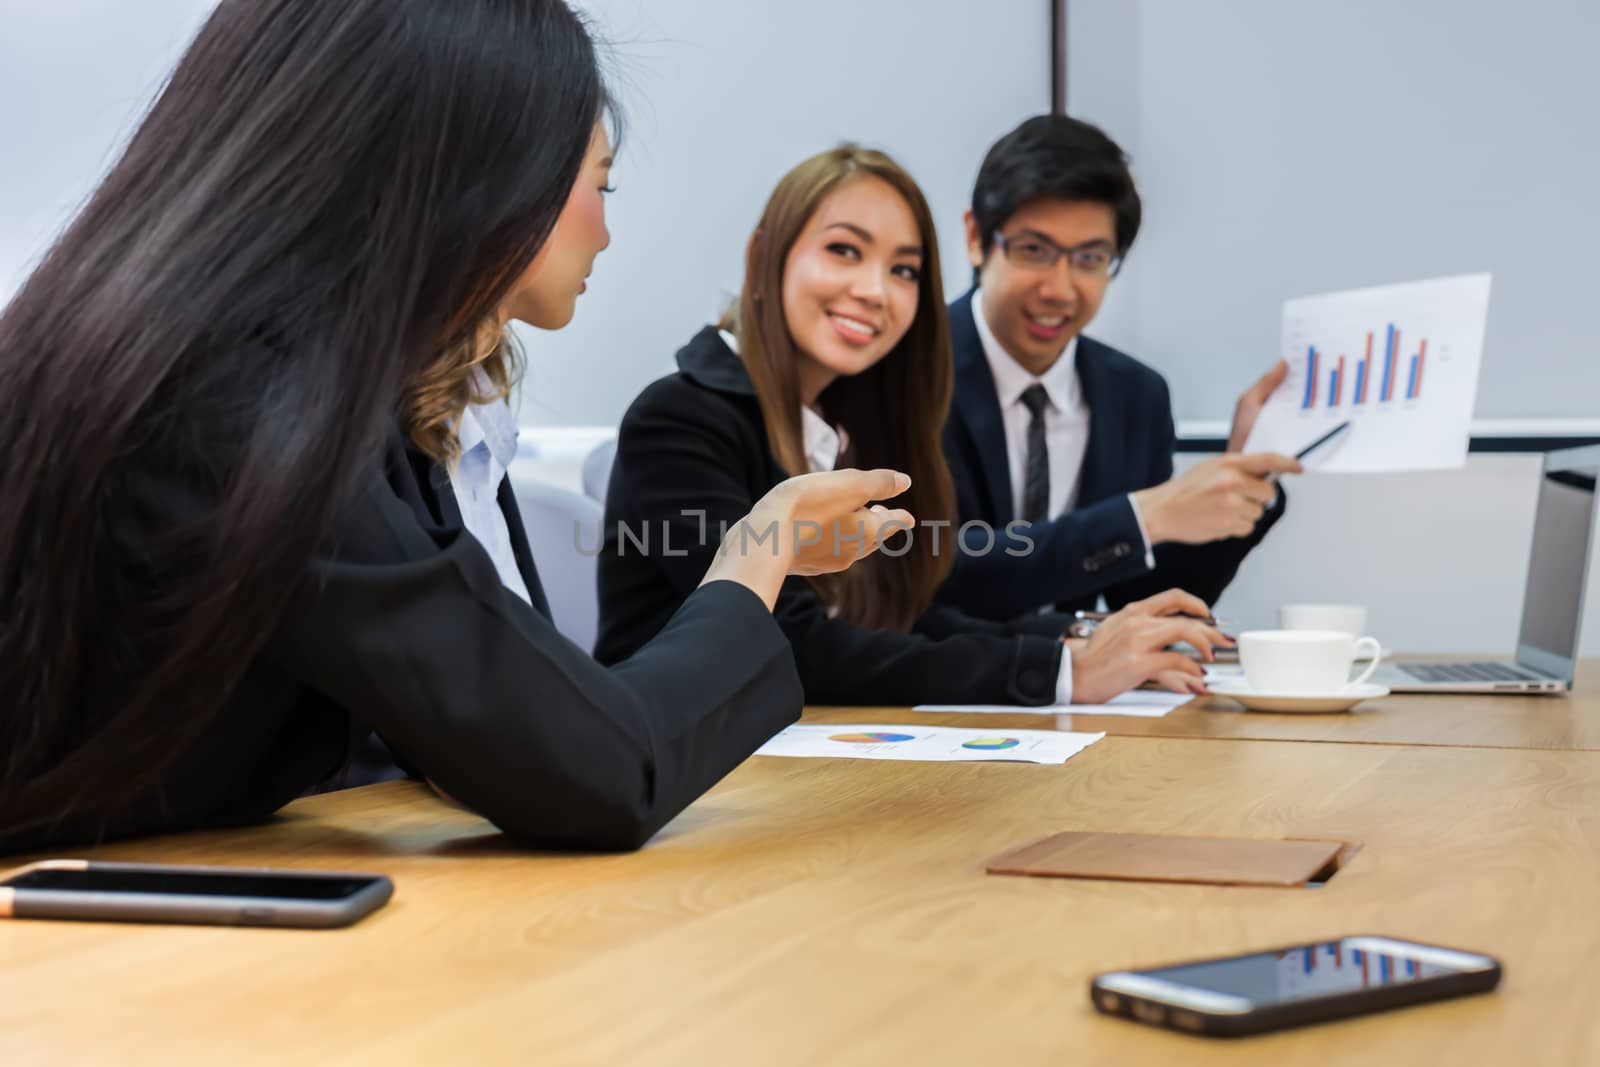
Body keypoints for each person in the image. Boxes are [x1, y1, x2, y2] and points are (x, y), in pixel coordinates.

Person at [0, 0, 914, 854]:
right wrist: (762, 550)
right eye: (599, 183)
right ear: (479, 179)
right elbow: (592, 763)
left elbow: (518, 718)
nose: (603, 233)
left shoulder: (251, 369)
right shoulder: (243, 409)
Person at [595, 145, 1226, 708]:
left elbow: (900, 619)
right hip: (682, 782)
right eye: (844, 251)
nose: (875, 290)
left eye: (904, 270)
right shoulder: (681, 419)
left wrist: (1080, 639)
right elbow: (788, 645)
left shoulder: (850, 425)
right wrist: (1060, 671)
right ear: (765, 255)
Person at [939, 115, 1302, 623]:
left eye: (1090, 258)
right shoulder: (908, 373)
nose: (1060, 289)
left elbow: (1147, 596)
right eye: (1034, 251)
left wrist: (1242, 477)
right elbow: (934, 571)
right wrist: (1140, 519)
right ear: (977, 238)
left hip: (1075, 694)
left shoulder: (1134, 394)